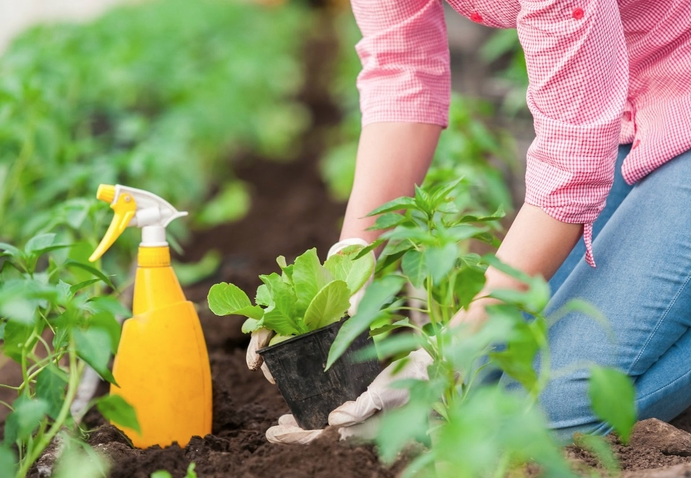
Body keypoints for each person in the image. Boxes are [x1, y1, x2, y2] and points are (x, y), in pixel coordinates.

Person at [248, 0, 691, 444]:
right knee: (482, 387)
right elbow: (401, 70)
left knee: (548, 415)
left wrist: (439, 360)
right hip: (631, 113)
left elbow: (571, 164)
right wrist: (340, 276)